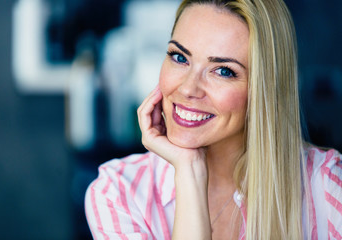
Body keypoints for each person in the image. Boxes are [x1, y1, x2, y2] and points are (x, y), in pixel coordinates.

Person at [85, 0, 342, 239]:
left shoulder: (328, 188)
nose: (188, 88)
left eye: (223, 71)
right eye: (179, 57)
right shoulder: (118, 192)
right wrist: (189, 171)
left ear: (264, 90)